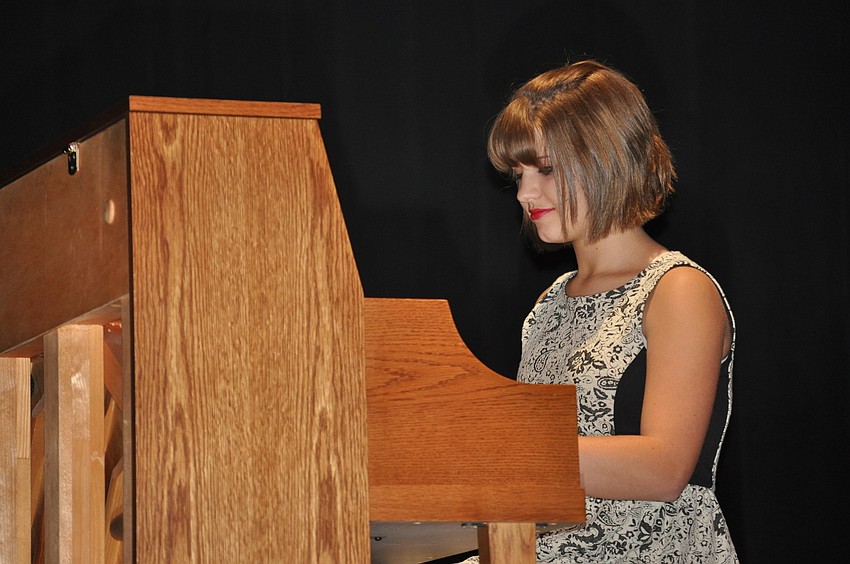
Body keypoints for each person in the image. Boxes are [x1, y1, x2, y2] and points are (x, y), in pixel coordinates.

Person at [473, 60, 738, 562]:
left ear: (607, 158)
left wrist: (495, 446)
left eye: (546, 169)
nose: (526, 194)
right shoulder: (549, 304)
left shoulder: (679, 289)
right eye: (518, 174)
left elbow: (663, 468)